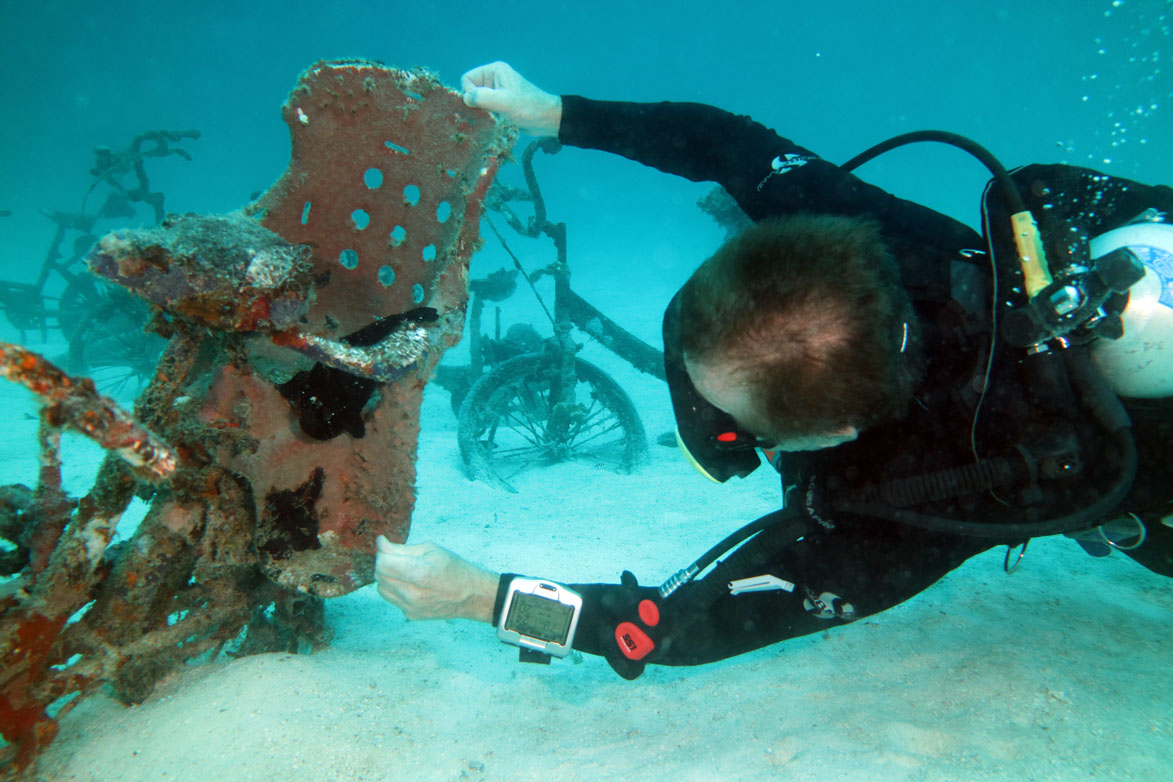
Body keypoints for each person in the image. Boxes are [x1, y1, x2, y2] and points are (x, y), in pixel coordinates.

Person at [374, 62, 1173, 679]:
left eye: (736, 420)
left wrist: (479, 598)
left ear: (834, 433)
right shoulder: (867, 230)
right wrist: (551, 110)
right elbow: (724, 143)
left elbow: (670, 626)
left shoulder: (909, 504)